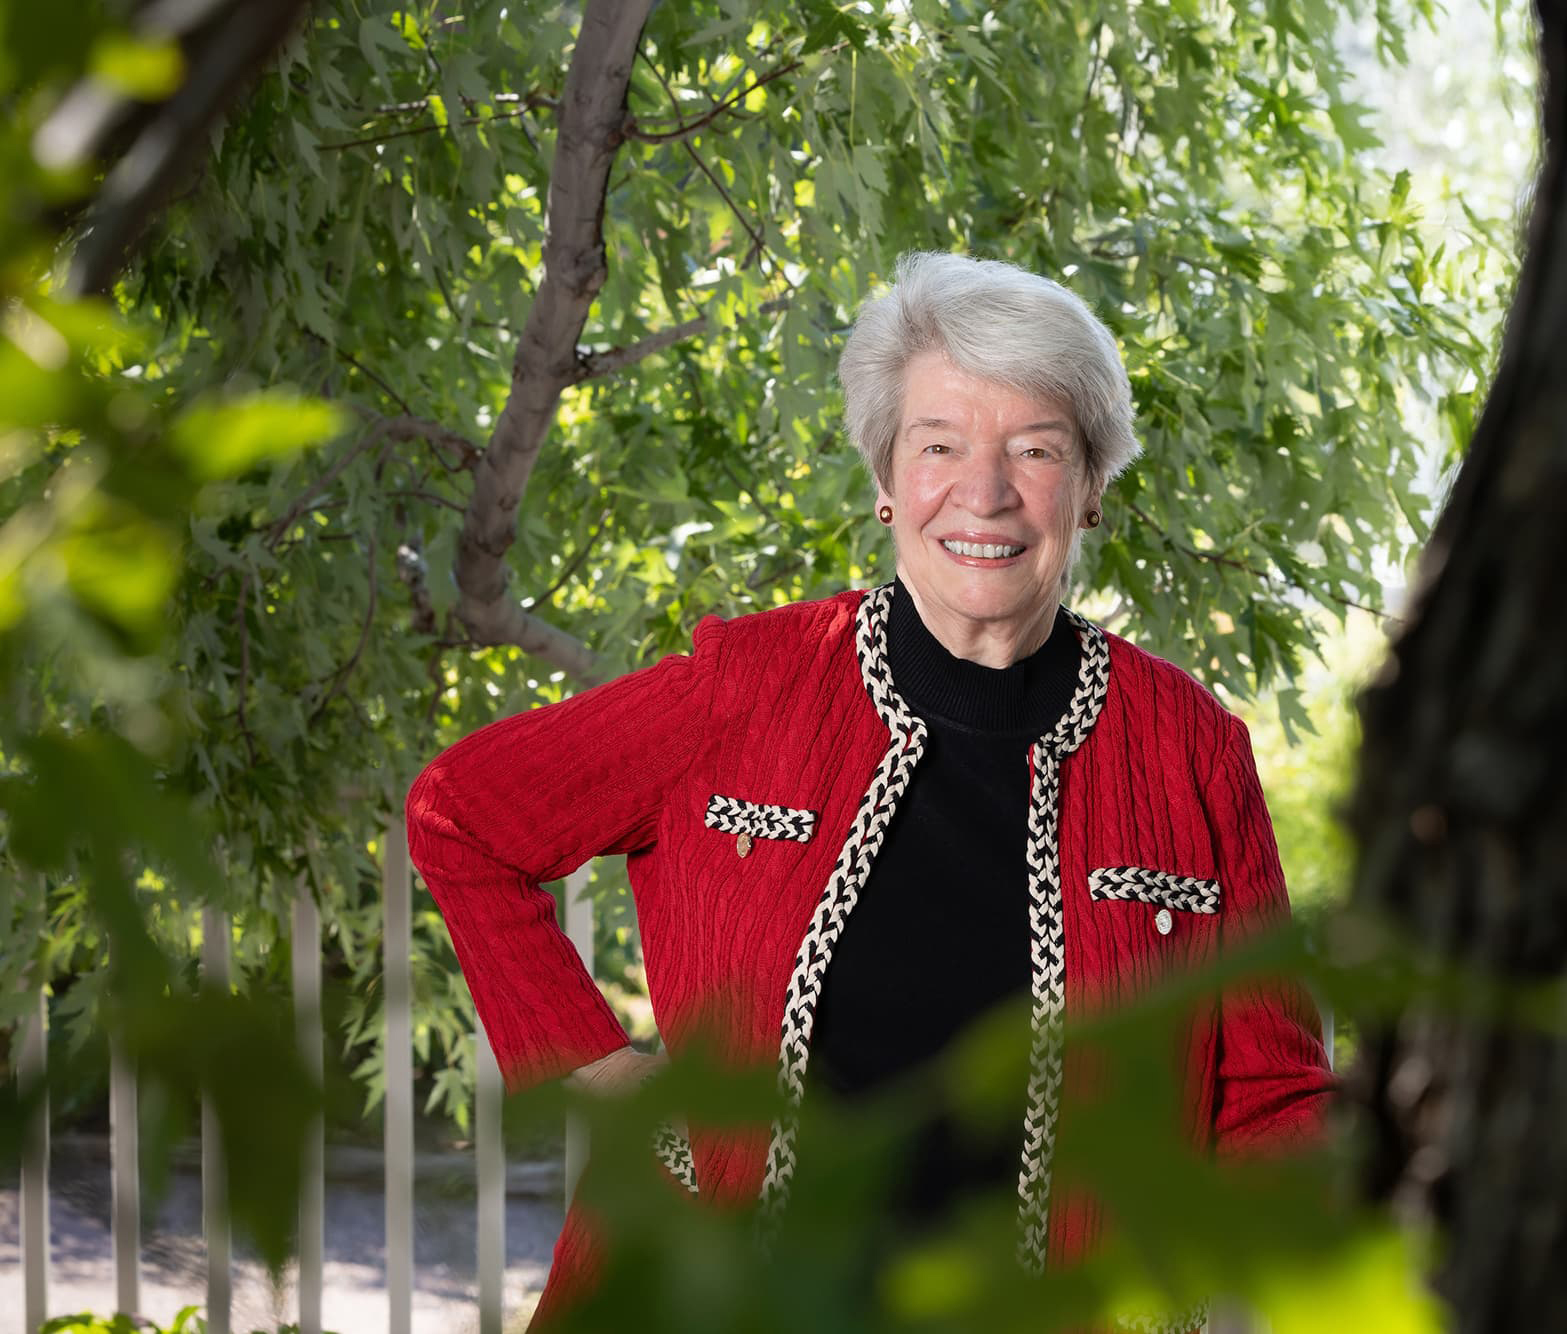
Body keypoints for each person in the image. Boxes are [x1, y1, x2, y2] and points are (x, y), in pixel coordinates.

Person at [406, 251, 1334, 1331]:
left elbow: (1270, 1091)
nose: (982, 492)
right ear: (887, 479)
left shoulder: (1188, 748)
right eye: (939, 444)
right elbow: (459, 814)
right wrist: (593, 1070)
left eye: (1034, 449)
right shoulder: (746, 684)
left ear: (1087, 490)